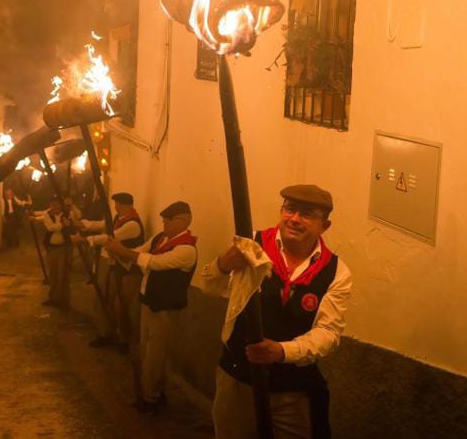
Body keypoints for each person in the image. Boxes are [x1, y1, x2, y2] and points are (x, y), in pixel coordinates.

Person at [201, 185, 351, 439]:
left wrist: (282, 351)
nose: (294, 219)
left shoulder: (337, 271)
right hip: (238, 379)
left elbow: (329, 333)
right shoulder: (252, 245)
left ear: (325, 225)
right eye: (290, 209)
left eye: (306, 213)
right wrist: (224, 264)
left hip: (292, 389)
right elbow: (209, 286)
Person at [103, 201, 198, 416]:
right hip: (149, 302)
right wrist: (119, 252)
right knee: (147, 350)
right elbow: (138, 252)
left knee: (157, 354)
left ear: (182, 221)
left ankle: (151, 396)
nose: (163, 223)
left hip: (165, 308)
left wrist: (122, 251)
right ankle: (150, 390)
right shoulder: (159, 238)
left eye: (167, 220)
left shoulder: (186, 249)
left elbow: (155, 262)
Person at [76, 192, 144, 352]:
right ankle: (110, 334)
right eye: (115, 205)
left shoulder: (132, 224)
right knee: (110, 301)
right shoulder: (118, 219)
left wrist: (86, 239)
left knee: (125, 306)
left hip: (128, 271)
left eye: (118, 205)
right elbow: (102, 225)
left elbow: (110, 237)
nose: (116, 208)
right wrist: (83, 224)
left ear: (127, 206)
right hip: (116, 267)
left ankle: (127, 340)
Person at [31, 198, 74, 308]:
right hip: (52, 248)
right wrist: (63, 225)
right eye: (52, 205)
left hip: (65, 248)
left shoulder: (68, 213)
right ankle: (54, 298)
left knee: (63, 274)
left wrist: (72, 206)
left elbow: (77, 218)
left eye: (56, 205)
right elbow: (50, 228)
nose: (54, 208)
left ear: (60, 205)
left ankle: (64, 299)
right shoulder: (47, 215)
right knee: (53, 274)